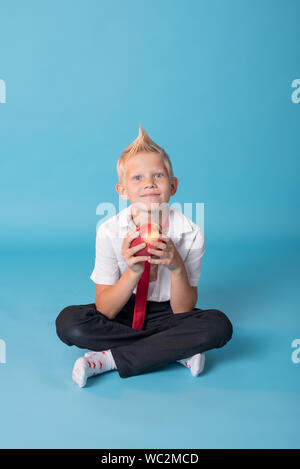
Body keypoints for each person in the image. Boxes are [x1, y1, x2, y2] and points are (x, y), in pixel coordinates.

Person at [55, 125, 233, 387]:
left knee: (219, 325)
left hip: (169, 314)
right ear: (122, 190)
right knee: (70, 322)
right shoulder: (109, 231)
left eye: (158, 175)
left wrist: (176, 266)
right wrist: (133, 271)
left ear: (173, 186)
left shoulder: (191, 232)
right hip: (124, 311)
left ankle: (108, 360)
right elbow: (105, 308)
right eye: (137, 178)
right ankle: (175, 350)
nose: (149, 182)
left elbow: (182, 309)